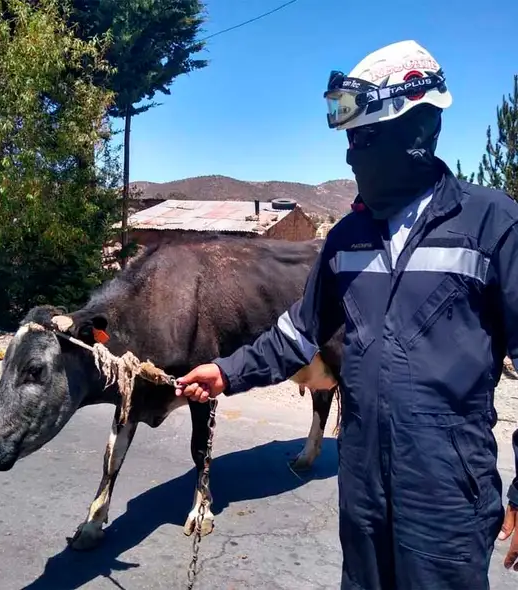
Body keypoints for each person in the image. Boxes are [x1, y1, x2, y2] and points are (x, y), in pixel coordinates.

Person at [174, 40, 518, 589]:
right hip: (361, 487)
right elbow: (295, 333)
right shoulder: (345, 239)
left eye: (364, 137)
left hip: (448, 494)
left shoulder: (493, 225)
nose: (350, 155)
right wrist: (226, 373)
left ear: (417, 133)